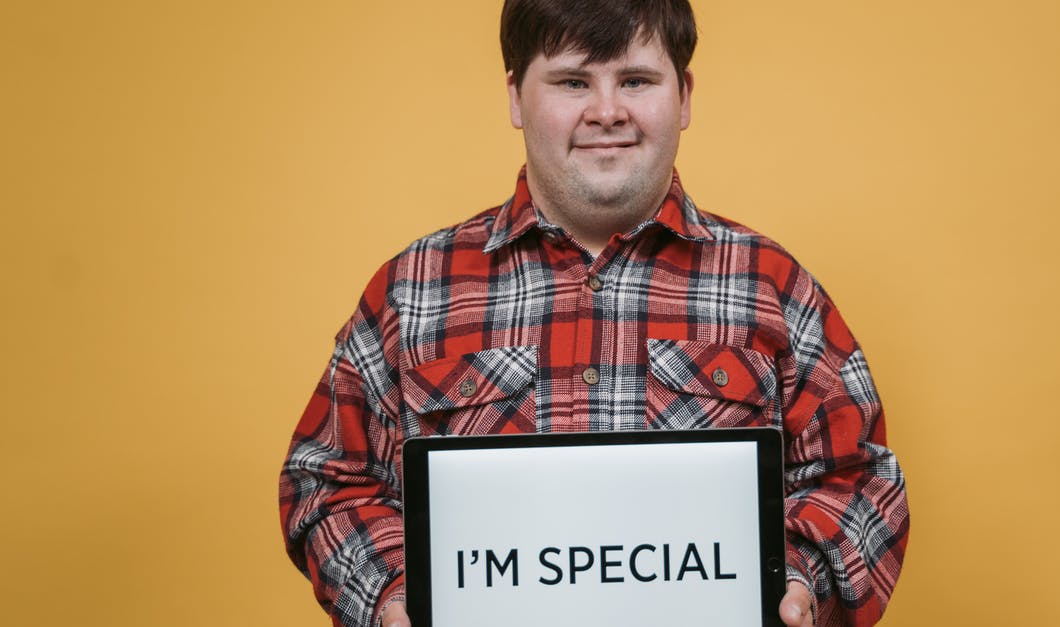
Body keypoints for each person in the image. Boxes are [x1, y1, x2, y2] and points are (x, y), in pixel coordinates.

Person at [279, 1, 909, 626]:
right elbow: (325, 482)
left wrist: (797, 582)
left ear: (683, 96)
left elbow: (860, 478)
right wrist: (392, 595)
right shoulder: (411, 290)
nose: (607, 112)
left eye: (635, 80)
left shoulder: (772, 285)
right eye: (573, 81)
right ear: (515, 97)